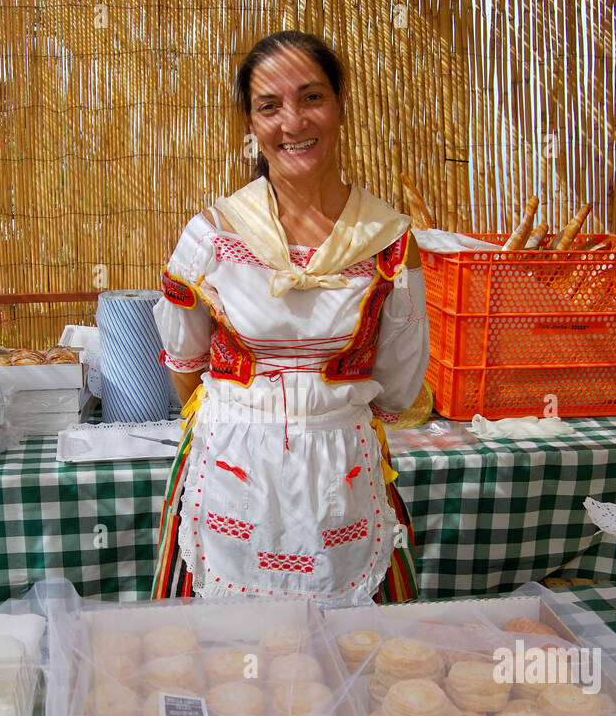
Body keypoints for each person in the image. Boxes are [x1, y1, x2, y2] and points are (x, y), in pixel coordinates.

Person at [150, 30, 428, 607]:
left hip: (341, 470)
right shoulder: (212, 236)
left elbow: (400, 387)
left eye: (311, 98)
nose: (293, 122)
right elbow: (185, 366)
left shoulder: (390, 243)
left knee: (352, 656)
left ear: (341, 106)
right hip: (231, 466)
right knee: (225, 664)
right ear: (249, 125)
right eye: (269, 106)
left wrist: (315, 426)